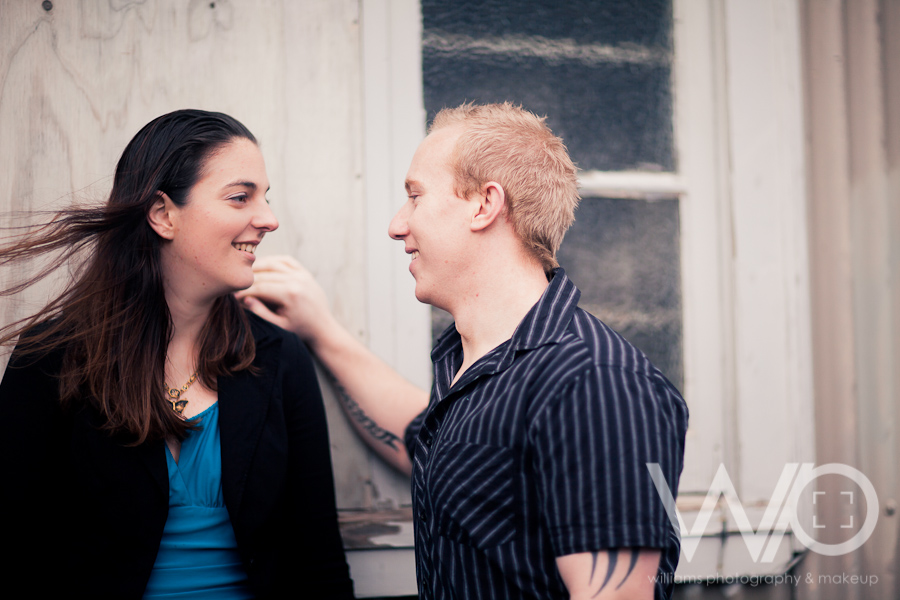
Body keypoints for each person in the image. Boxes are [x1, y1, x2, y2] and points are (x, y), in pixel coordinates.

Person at [239, 102, 689, 599]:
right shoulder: (479, 365)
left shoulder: (595, 382)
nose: (397, 225)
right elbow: (429, 443)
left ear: (484, 205)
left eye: (415, 196)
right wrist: (322, 333)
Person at [0, 109, 354, 599]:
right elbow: (13, 554)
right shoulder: (52, 358)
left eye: (265, 198)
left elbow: (319, 560)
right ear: (163, 214)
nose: (269, 220)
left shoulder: (278, 358)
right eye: (240, 197)